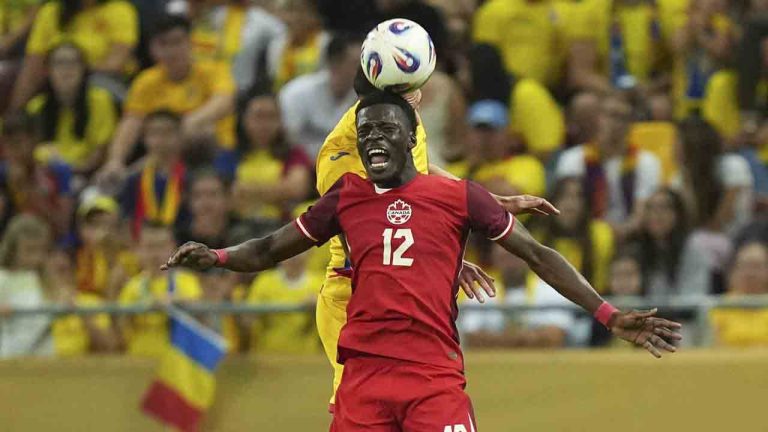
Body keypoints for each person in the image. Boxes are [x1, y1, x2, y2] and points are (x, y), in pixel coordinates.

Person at [164, 91, 682, 429]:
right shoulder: (345, 196)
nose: (372, 141)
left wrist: (608, 314)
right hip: (364, 378)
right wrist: (218, 255)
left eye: (386, 130)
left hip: (431, 376)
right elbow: (272, 247)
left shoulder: (459, 197)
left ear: (412, 139)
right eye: (364, 134)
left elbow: (539, 255)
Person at [312, 68, 559, 410]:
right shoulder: (339, 158)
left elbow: (421, 169)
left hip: (395, 299)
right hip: (352, 298)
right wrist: (438, 258)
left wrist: (489, 199)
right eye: (408, 91)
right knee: (361, 409)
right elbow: (373, 228)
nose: (419, 97)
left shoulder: (399, 122)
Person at [98, 14, 235, 182]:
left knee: (200, 131)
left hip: (215, 152)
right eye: (163, 44)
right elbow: (131, 122)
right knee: (119, 176)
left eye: (177, 42)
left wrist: (177, 130)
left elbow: (223, 103)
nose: (171, 51)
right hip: (163, 158)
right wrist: (115, 160)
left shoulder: (214, 70)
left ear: (190, 43)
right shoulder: (146, 81)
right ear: (152, 49)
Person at [555, 94, 662, 240]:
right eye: (610, 115)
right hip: (584, 237)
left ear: (631, 124)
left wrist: (619, 233)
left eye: (623, 118)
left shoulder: (647, 162)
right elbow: (567, 206)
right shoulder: (573, 159)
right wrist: (601, 234)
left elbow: (642, 213)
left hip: (632, 237)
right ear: (597, 118)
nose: (616, 124)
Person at [10, 0, 139, 109]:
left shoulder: (119, 10)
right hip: (54, 85)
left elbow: (116, 62)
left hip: (104, 81)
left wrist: (75, 69)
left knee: (95, 93)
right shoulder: (52, 11)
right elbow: (32, 66)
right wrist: (16, 109)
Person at [27, 43, 117, 175]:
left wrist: (68, 170)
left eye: (73, 62)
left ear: (84, 69)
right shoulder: (36, 107)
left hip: (87, 175)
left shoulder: (100, 100)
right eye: (59, 63)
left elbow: (100, 152)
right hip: (46, 178)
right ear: (47, 71)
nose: (66, 69)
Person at [118, 222, 202, 358]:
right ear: (139, 250)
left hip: (175, 365)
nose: (155, 254)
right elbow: (121, 328)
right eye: (149, 247)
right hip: (138, 362)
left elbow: (199, 311)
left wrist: (176, 302)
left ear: (173, 248)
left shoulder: (186, 280)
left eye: (161, 246)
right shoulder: (131, 286)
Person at [232, 92, 313, 221]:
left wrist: (248, 191)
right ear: (245, 120)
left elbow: (297, 188)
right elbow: (227, 196)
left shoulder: (293, 154)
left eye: (271, 117)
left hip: (279, 228)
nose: (265, 124)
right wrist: (278, 193)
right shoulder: (231, 154)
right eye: (258, 116)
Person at [278, 33, 359, 159]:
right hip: (303, 165)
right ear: (334, 63)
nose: (364, 69)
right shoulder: (296, 93)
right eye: (356, 64)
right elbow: (288, 141)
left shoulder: (366, 96)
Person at [530, 177, 614, 293]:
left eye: (577, 197)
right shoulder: (537, 238)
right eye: (564, 196)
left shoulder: (601, 234)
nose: (570, 204)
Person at [0, 111, 74, 238]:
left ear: (35, 140)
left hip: (48, 242)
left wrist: (26, 188)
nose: (11, 152)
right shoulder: (2, 173)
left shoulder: (57, 170)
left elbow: (62, 226)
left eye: (17, 143)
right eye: (7, 145)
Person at [120, 110, 189, 239]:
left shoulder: (190, 177)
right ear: (144, 139)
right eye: (154, 133)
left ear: (181, 136)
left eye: (167, 132)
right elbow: (127, 222)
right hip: (143, 248)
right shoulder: (134, 179)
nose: (161, 139)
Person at [633, 188, 711, 298]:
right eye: (650, 208)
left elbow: (694, 297)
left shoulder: (694, 247)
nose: (655, 214)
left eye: (663, 208)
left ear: (678, 214)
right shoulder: (638, 248)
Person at [463, 100, 547, 198]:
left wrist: (463, 184)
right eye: (478, 131)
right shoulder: (456, 169)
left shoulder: (528, 165)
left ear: (508, 134)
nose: (484, 138)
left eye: (492, 131)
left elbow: (513, 196)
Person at [246, 251, 322, 354]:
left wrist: (322, 305)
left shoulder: (320, 282)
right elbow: (248, 320)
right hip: (268, 356)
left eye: (300, 251)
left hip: (307, 358)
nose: (294, 257)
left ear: (309, 253)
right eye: (289, 249)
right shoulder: (264, 281)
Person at [0, 215, 54, 358]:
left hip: (43, 352)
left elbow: (57, 302)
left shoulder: (46, 278)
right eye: (30, 250)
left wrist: (66, 302)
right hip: (11, 351)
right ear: (12, 249)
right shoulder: (3, 278)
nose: (36, 257)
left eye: (41, 250)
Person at [74, 193, 138, 299]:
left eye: (106, 224)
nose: (102, 231)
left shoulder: (132, 260)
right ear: (82, 230)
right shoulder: (73, 260)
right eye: (94, 224)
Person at [709, 241, 768, 347]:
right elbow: (711, 344)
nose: (751, 273)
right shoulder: (721, 306)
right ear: (734, 271)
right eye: (745, 266)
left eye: (757, 267)